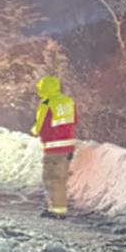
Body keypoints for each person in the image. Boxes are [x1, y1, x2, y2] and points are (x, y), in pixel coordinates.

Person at [33, 74, 77, 216]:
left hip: (53, 147)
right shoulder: (68, 102)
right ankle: (59, 209)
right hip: (68, 146)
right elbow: (74, 121)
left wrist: (35, 131)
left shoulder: (47, 103)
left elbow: (41, 126)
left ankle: (55, 210)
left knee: (51, 179)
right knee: (60, 180)